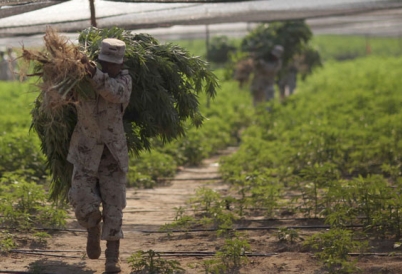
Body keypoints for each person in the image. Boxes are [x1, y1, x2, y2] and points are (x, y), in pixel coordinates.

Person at [67, 38, 132, 273]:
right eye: (105, 63)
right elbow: (62, 94)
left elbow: (114, 94)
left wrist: (94, 74)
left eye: (113, 64)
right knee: (80, 199)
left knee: (114, 205)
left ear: (121, 63)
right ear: (101, 59)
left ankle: (112, 257)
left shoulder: (124, 81)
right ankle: (92, 226)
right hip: (85, 150)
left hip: (112, 154)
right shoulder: (81, 79)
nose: (109, 68)